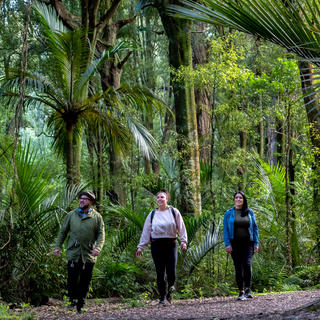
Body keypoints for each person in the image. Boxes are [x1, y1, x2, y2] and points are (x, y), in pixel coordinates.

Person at [53, 191, 105, 313]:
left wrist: (98, 247)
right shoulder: (71, 215)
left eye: (85, 199)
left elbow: (101, 234)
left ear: (91, 202)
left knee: (85, 280)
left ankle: (81, 303)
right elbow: (63, 232)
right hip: (73, 252)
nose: (81, 200)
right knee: (72, 278)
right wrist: (57, 247)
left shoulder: (97, 217)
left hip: (88, 254)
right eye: (80, 198)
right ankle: (72, 301)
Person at [136, 189, 187, 305]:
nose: (159, 199)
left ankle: (170, 290)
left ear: (167, 199)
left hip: (171, 244)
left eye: (162, 197)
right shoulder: (152, 214)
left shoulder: (174, 212)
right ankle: (162, 297)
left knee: (171, 272)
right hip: (156, 245)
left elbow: (181, 227)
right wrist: (141, 247)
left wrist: (183, 242)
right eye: (158, 197)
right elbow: (146, 231)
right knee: (160, 271)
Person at [223, 191, 259, 301]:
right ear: (234, 200)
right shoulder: (228, 213)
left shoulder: (250, 212)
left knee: (247, 264)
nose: (238, 199)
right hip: (235, 244)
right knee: (238, 267)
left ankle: (248, 289)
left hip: (248, 243)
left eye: (241, 198)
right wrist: (227, 244)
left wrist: (256, 243)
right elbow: (225, 230)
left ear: (244, 200)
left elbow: (255, 228)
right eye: (236, 198)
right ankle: (241, 291)